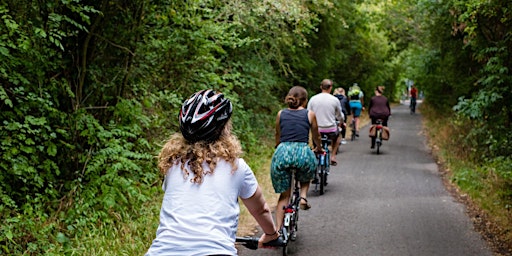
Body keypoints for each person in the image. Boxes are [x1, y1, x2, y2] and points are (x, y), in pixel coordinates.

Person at [145, 89, 280, 256]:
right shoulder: (236, 167)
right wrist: (271, 234)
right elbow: (260, 210)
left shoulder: (173, 165)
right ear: (224, 129)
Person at [270, 86, 323, 233]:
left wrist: (279, 148)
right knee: (307, 171)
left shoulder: (281, 114)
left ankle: (277, 231)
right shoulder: (310, 114)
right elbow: (316, 135)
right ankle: (304, 197)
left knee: (284, 196)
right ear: (305, 101)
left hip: (283, 152)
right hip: (302, 152)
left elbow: (278, 135)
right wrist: (319, 148)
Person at [307, 79, 344, 165]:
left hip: (317, 130)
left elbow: (308, 113)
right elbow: (339, 115)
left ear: (321, 87)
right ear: (330, 88)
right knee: (338, 136)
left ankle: (316, 156)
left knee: (315, 139)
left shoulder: (313, 99)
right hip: (330, 129)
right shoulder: (334, 100)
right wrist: (342, 122)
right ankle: (333, 156)